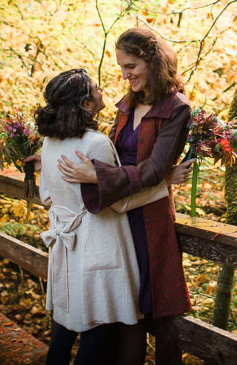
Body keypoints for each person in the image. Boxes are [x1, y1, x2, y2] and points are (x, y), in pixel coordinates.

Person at [58, 27, 193, 364]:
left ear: (152, 61)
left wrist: (97, 175)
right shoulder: (126, 105)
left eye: (130, 65)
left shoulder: (176, 107)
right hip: (113, 215)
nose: (125, 74)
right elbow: (111, 151)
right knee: (113, 306)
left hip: (146, 219)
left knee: (135, 311)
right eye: (120, 67)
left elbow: (151, 169)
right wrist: (43, 153)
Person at [35, 68, 175, 365]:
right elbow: (117, 202)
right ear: (86, 104)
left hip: (65, 246)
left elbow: (46, 196)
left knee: (65, 329)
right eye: (96, 88)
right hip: (99, 246)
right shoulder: (96, 143)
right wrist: (165, 182)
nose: (102, 92)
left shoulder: (48, 143)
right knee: (97, 331)